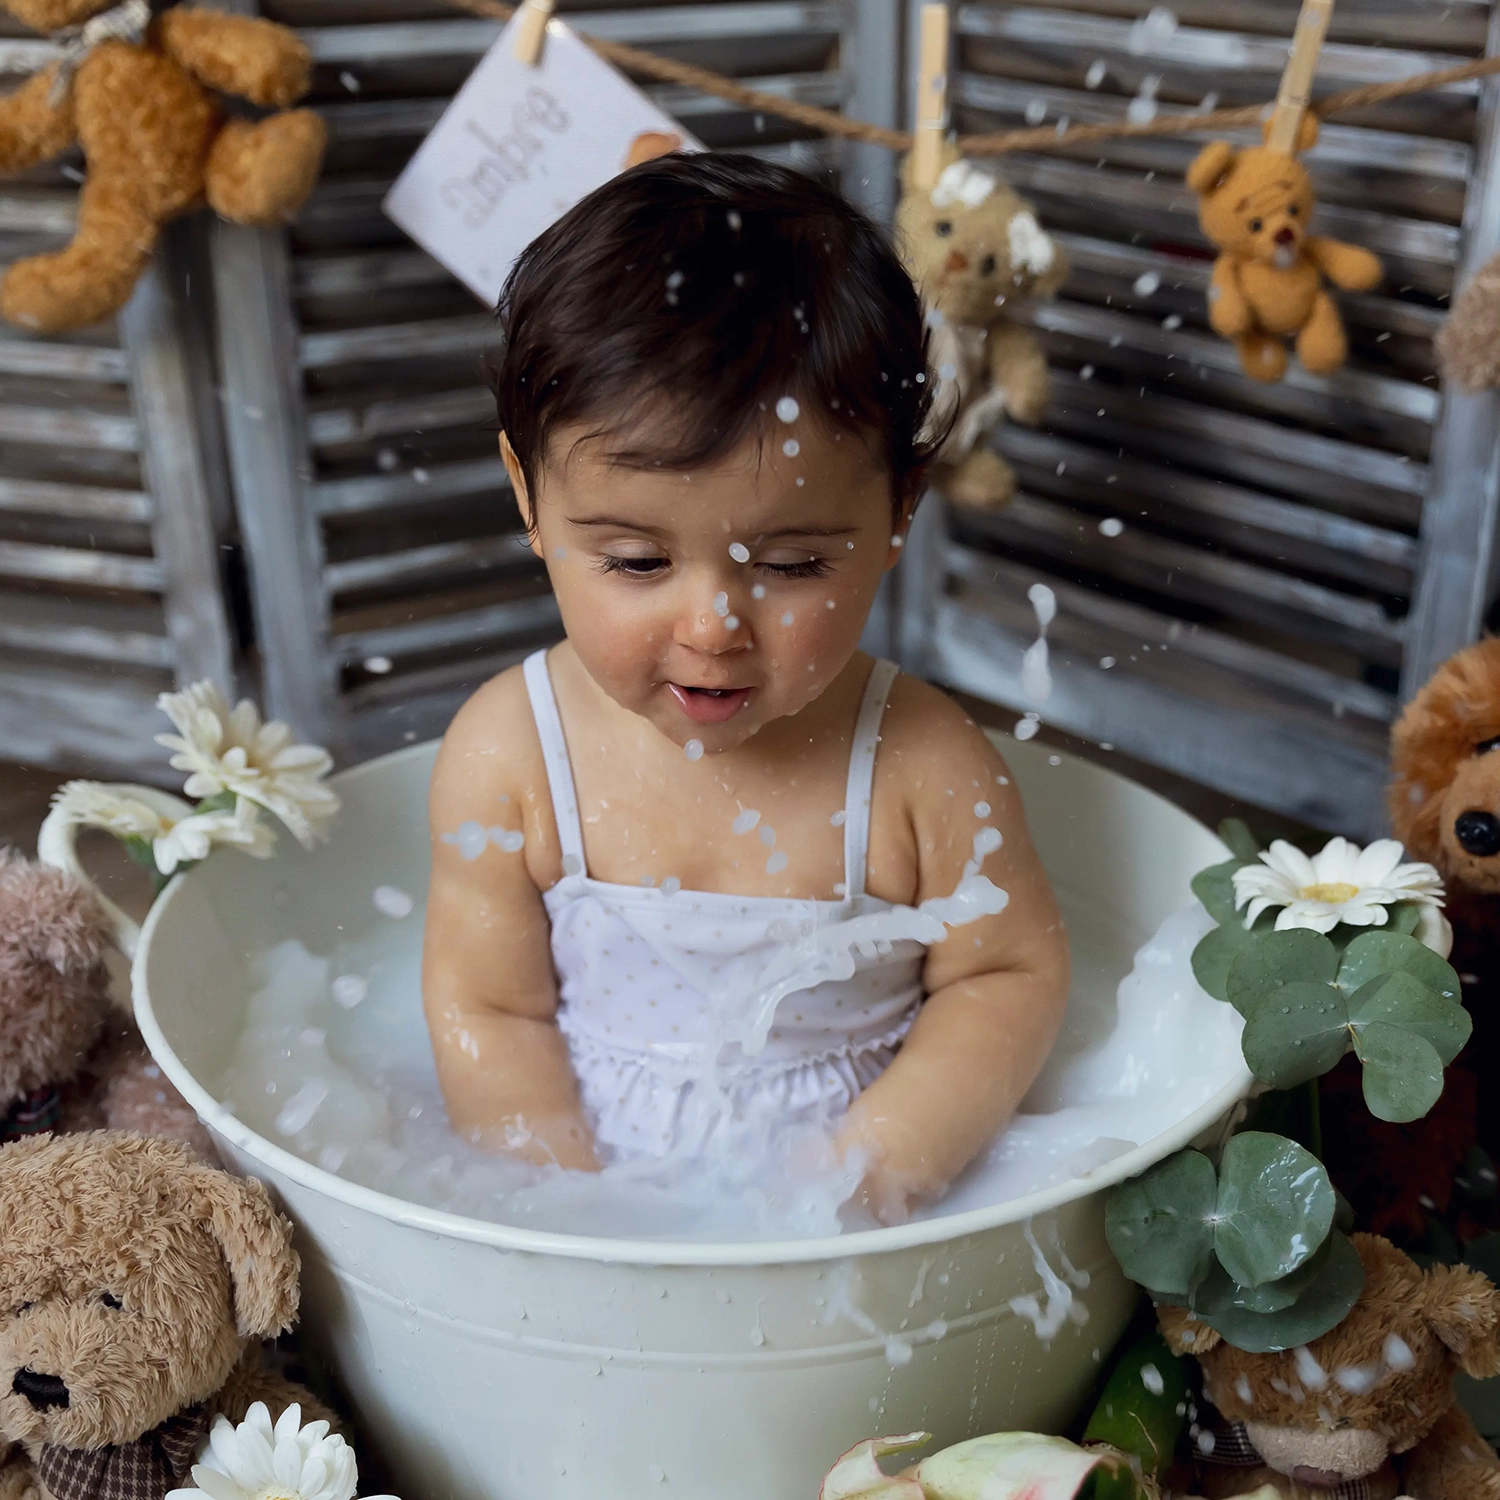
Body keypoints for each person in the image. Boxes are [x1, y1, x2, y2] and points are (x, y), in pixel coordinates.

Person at [422, 152, 1069, 1224]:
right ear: (528, 497)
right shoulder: (511, 756)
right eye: (637, 562)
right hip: (595, 1209)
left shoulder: (922, 766)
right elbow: (488, 1008)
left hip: (855, 1239)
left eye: (794, 564)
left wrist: (873, 1172)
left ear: (899, 510)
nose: (713, 628)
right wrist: (559, 1209)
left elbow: (1008, 978)